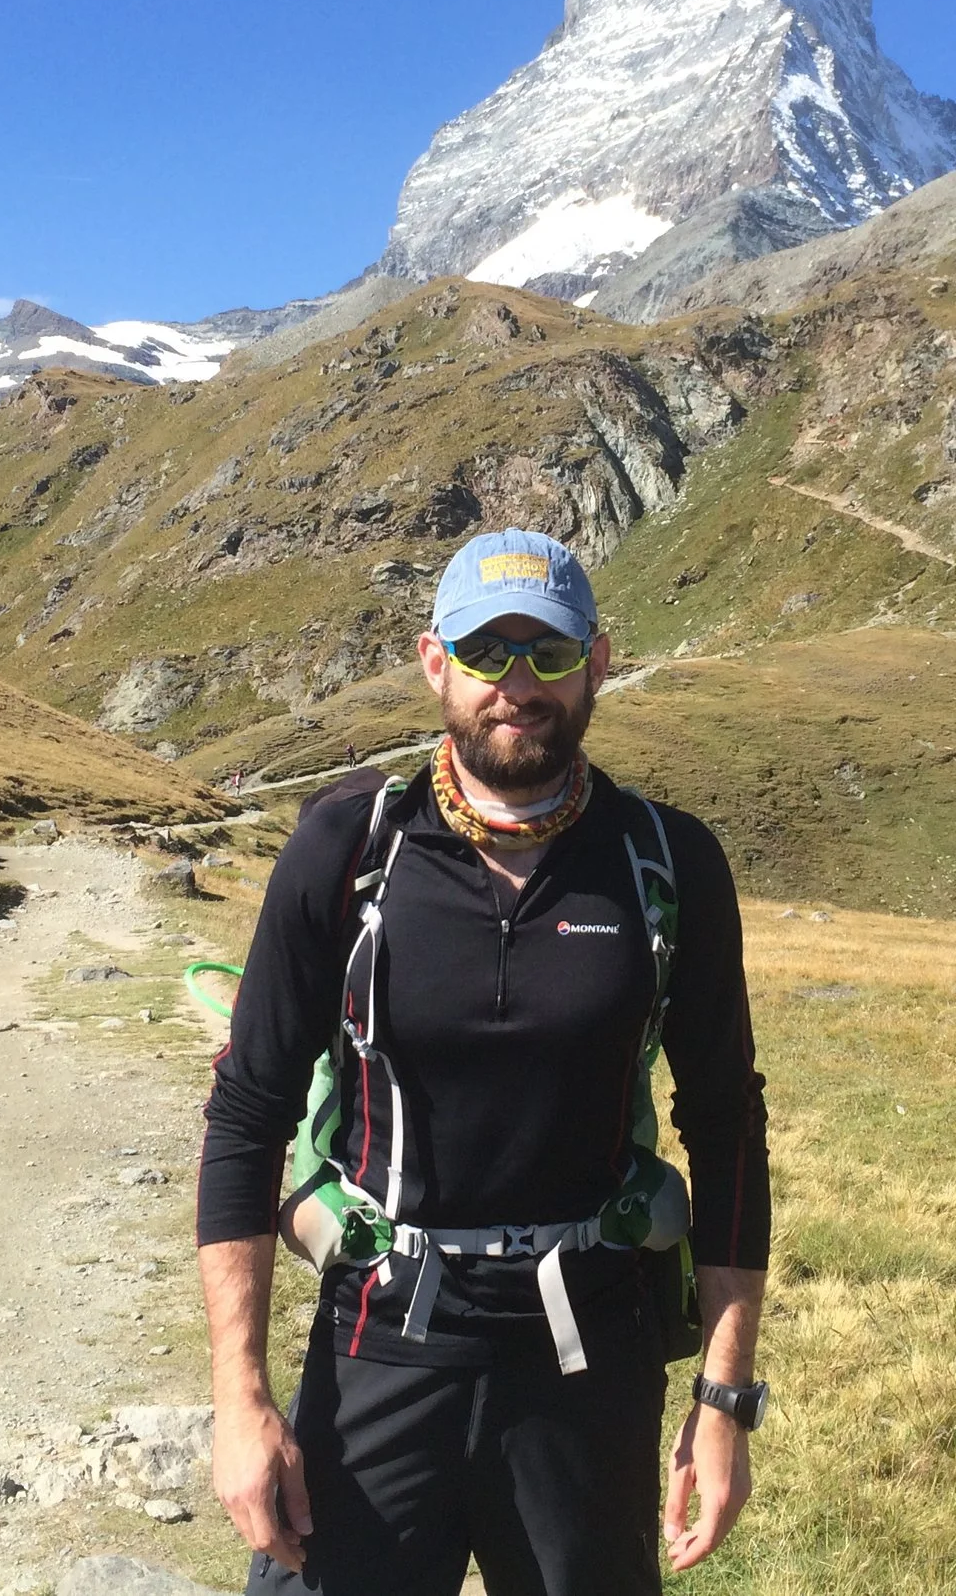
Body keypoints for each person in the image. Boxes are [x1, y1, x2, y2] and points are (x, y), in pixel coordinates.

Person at [198, 527, 771, 1596]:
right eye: (485, 654)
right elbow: (247, 1112)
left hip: (588, 1356)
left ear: (597, 662)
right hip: (381, 1334)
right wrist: (240, 1402)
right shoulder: (348, 849)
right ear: (434, 665)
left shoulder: (667, 862)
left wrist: (723, 1402)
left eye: (548, 654)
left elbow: (729, 1128)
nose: (517, 685)